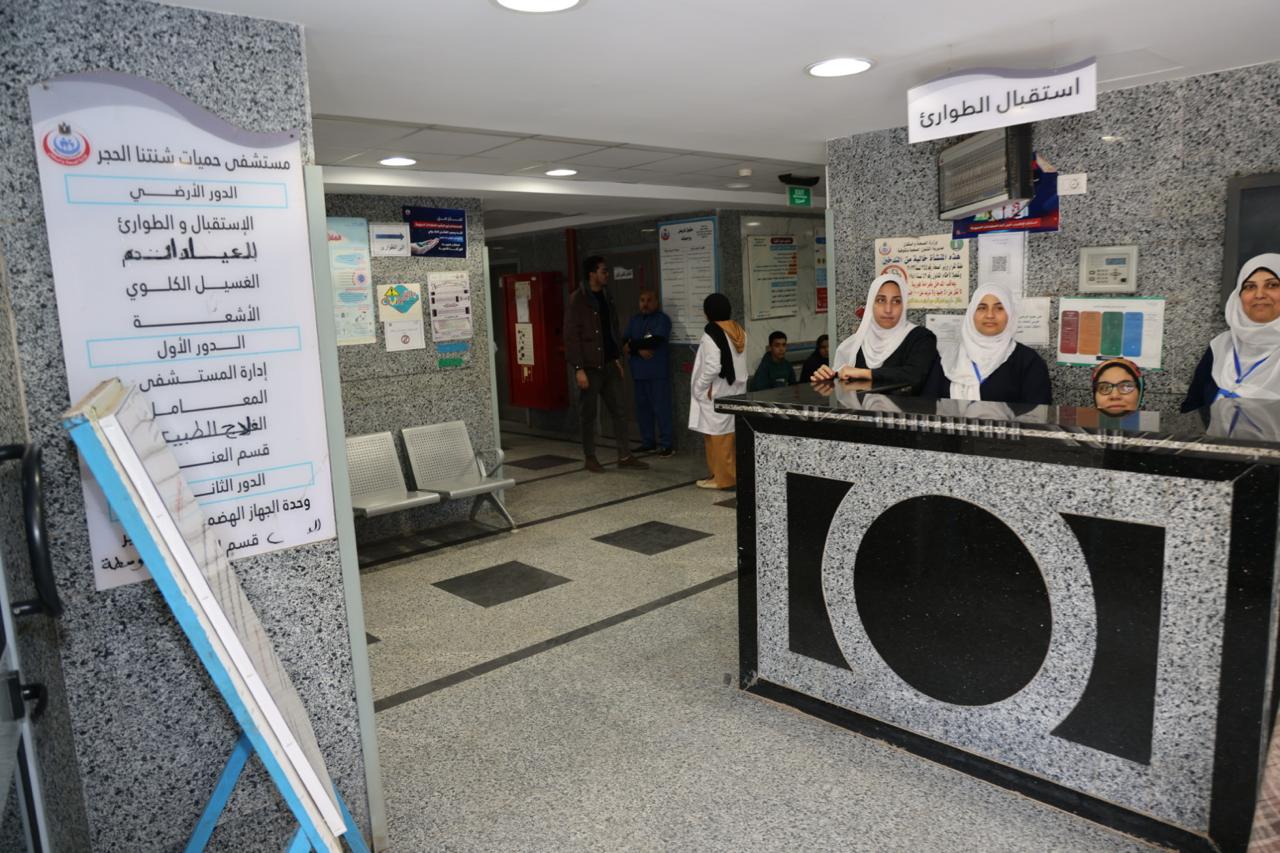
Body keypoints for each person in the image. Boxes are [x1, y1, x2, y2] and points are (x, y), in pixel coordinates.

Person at [564, 255, 649, 473]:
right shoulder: (578, 299)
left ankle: (625, 455)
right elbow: (572, 336)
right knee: (588, 414)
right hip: (590, 366)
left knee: (619, 410)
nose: (607, 274)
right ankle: (590, 457)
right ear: (592, 273)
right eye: (603, 271)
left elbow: (612, 329)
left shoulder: (606, 295)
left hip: (609, 363)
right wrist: (578, 368)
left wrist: (616, 357)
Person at [1182, 253, 1280, 412]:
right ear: (1238, 296)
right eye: (1249, 287)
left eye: (1272, 285)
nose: (1259, 294)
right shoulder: (1221, 346)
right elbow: (1192, 408)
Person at [810, 274, 938, 394]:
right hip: (862, 410)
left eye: (896, 301)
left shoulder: (921, 338)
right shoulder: (857, 344)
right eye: (881, 300)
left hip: (908, 410)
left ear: (904, 305)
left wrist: (865, 373)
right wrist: (828, 379)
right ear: (871, 304)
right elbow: (845, 383)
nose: (888, 309)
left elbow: (914, 375)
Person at [926, 284, 1051, 404]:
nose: (990, 315)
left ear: (1010, 314)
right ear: (971, 314)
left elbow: (1037, 412)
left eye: (999, 308)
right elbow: (928, 405)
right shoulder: (948, 358)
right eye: (982, 308)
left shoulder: (1028, 361)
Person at [689, 293, 747, 490]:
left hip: (716, 391)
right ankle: (723, 475)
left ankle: (723, 479)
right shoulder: (739, 331)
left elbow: (713, 366)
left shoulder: (711, 334)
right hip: (735, 389)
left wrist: (699, 387)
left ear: (708, 312)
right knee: (727, 435)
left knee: (717, 436)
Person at [622, 289, 674, 457]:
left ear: (656, 302)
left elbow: (655, 341)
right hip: (638, 373)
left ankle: (667, 445)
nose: (645, 304)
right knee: (643, 410)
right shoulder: (635, 320)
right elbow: (624, 341)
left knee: (661, 409)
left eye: (649, 300)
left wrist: (632, 346)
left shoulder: (662, 319)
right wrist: (638, 350)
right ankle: (648, 442)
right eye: (642, 300)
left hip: (656, 373)